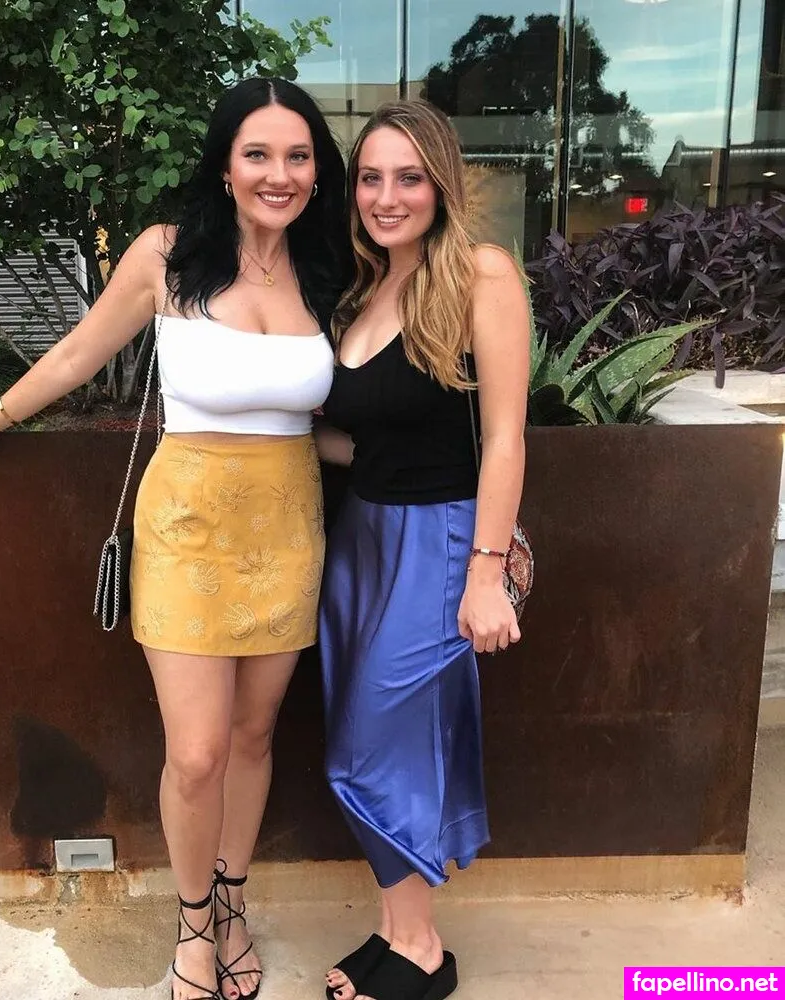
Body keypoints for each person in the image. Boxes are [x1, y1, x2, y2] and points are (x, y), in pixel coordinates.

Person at [0, 77, 349, 1000]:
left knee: (252, 736)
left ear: (318, 171)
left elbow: (356, 405)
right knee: (195, 753)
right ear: (225, 165)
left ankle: (232, 903)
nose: (278, 174)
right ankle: (193, 924)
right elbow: (81, 352)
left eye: (297, 156)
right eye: (257, 154)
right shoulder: (167, 253)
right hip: (187, 527)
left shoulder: (328, 269)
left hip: (287, 524)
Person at [313, 100, 530, 1000]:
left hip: (439, 540)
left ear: (440, 185)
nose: (386, 196)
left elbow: (505, 437)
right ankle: (400, 931)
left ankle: (423, 952)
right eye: (370, 177)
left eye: (408, 177)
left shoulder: (481, 274)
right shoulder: (360, 292)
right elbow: (359, 442)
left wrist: (484, 573)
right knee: (371, 742)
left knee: (366, 751)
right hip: (360, 544)